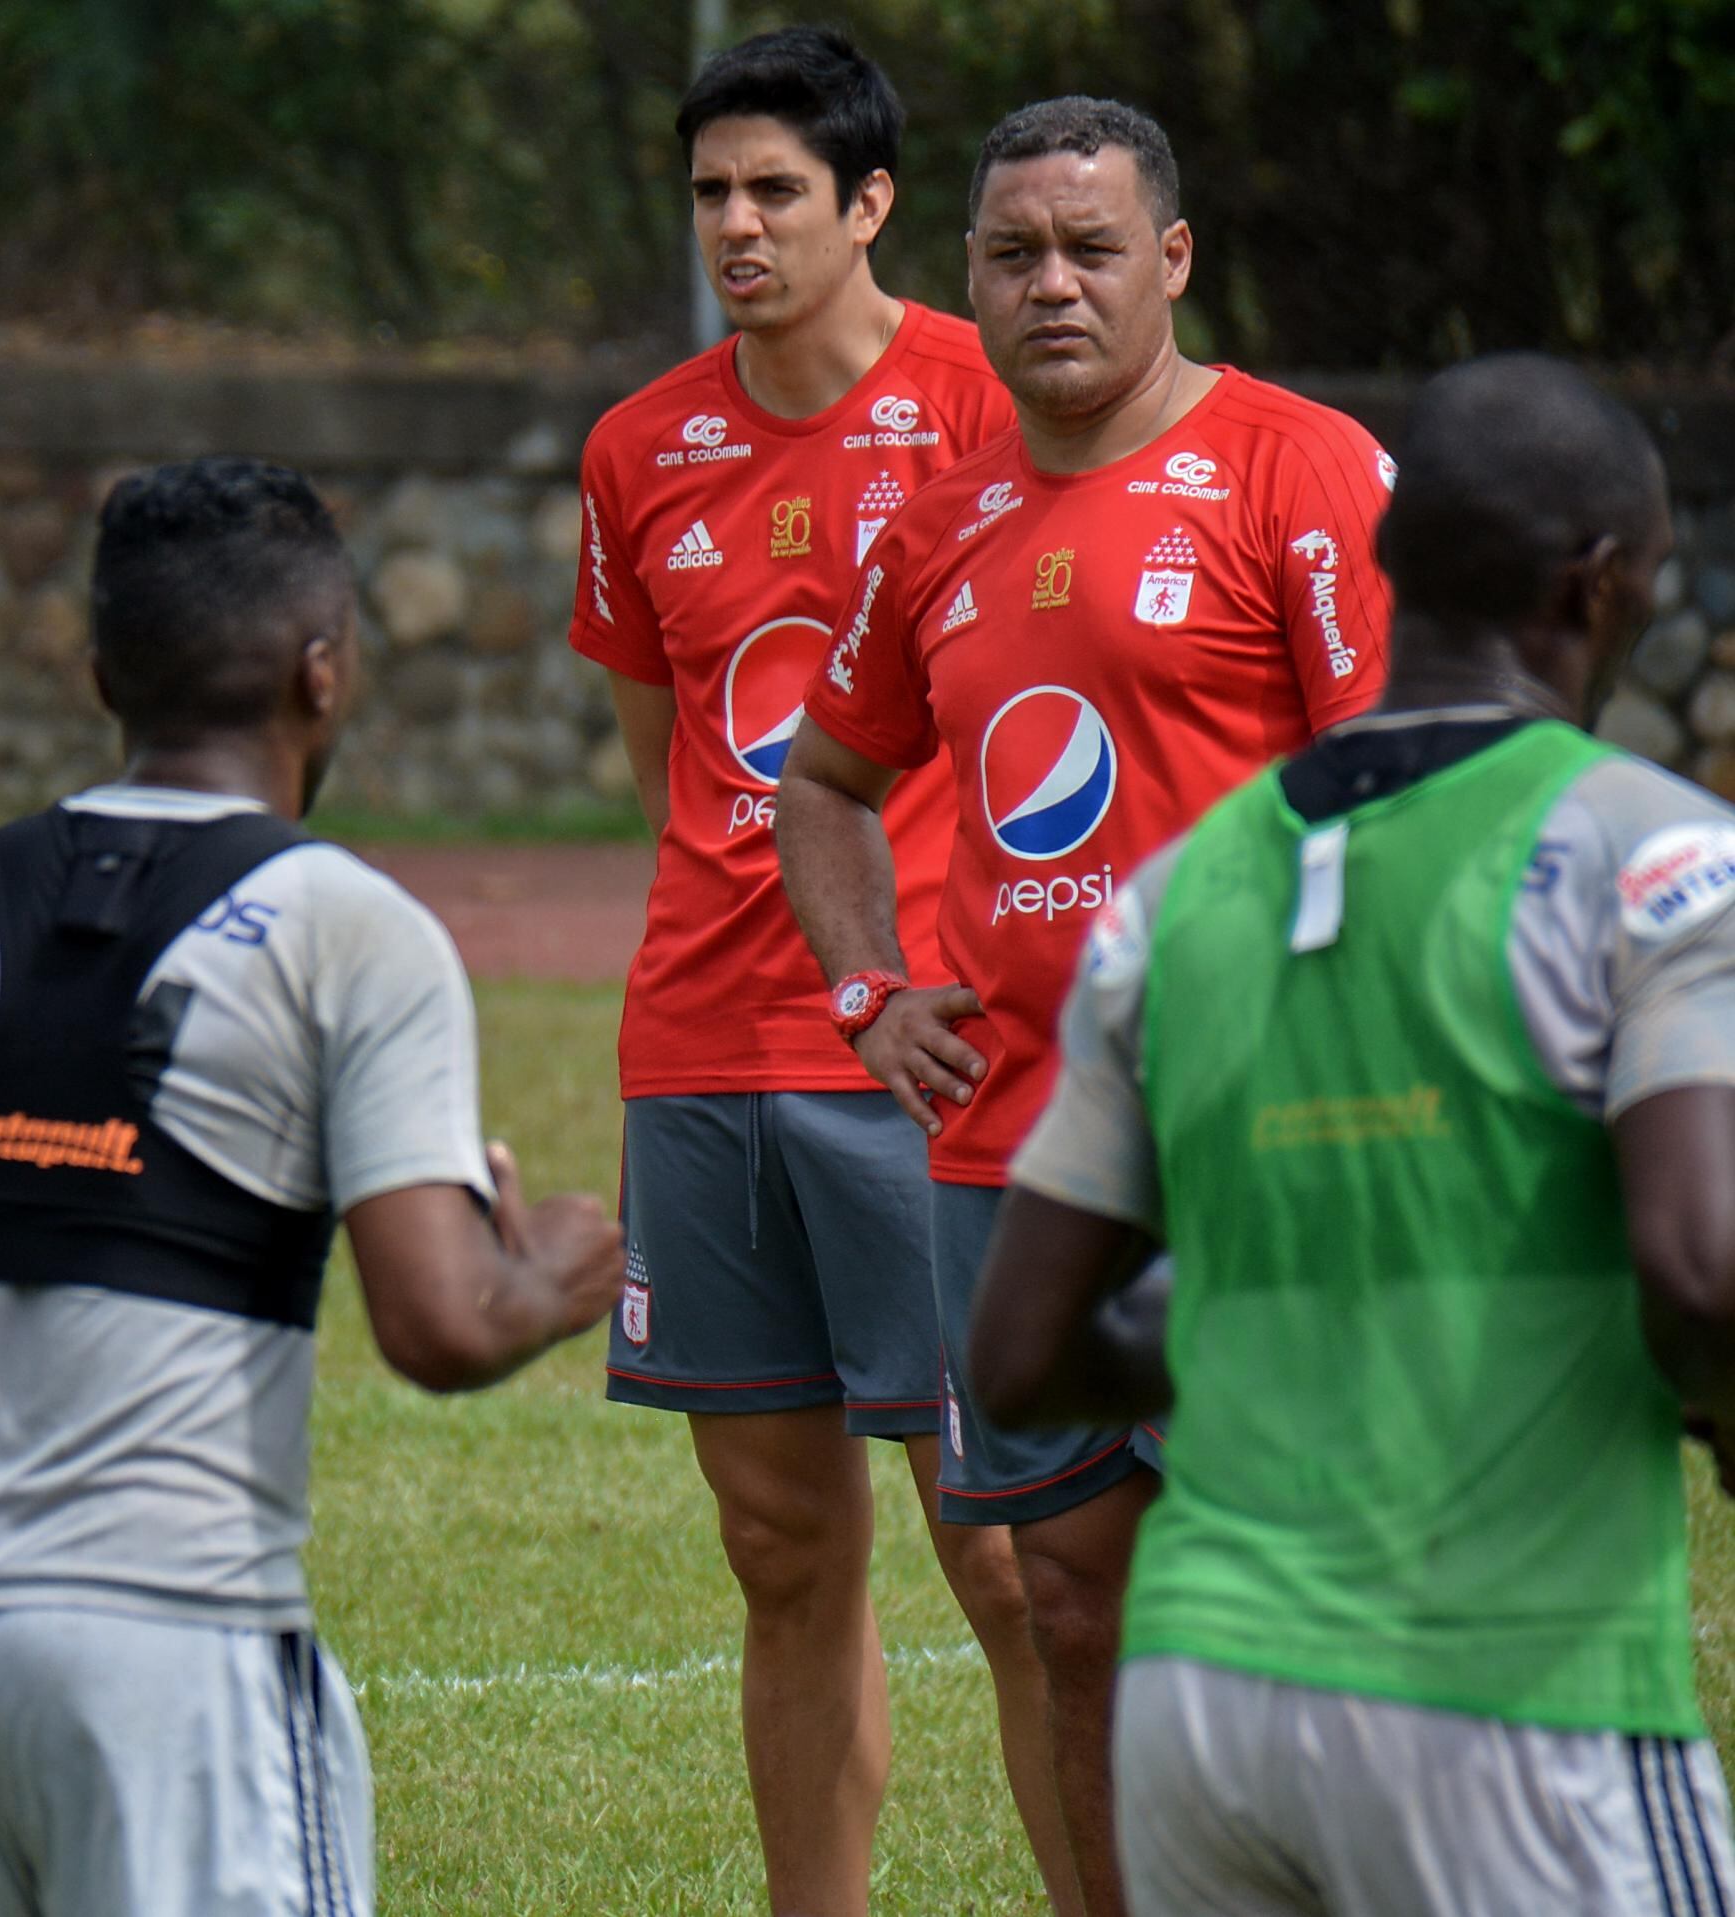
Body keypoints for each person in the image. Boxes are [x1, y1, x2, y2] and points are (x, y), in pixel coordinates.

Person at [0, 457, 626, 1916]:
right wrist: (559, 1264)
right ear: (326, 674)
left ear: (102, 669)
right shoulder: (349, 926)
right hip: (172, 1637)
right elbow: (439, 1323)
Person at [964, 354, 1735, 1913]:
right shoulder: (1648, 854)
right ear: (1599, 589)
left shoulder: (1173, 897)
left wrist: (1272, 1331)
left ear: (1384, 568)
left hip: (1200, 1726)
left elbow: (1024, 1348)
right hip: (1513, 1690)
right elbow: (1703, 1276)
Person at [773, 97, 1394, 1915]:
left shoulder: (1303, 470)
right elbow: (823, 779)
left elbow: (1407, 796)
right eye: (1014, 253)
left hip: (1263, 1147)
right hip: (1015, 1151)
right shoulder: (941, 518)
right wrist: (872, 987)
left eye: (1092, 248)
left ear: (1174, 261)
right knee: (1065, 1595)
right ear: (962, 271)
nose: (1051, 284)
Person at [566, 30, 1066, 1911]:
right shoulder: (640, 447)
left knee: (1008, 1552)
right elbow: (668, 758)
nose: (738, 225)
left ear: (870, 206)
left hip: (929, 1055)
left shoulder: (991, 405)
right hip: (702, 1047)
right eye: (711, 192)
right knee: (777, 1546)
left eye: (778, 190)